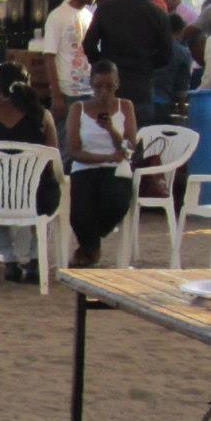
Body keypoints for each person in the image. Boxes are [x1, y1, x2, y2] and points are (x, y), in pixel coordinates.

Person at [0, 64, 60, 283]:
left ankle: (10, 260)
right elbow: (52, 161)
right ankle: (36, 258)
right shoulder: (42, 116)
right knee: (47, 188)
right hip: (35, 197)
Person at [65, 59, 138, 266]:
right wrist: (104, 157)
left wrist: (111, 129)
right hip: (85, 167)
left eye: (109, 86)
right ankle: (91, 248)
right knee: (80, 211)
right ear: (91, 84)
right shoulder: (78, 108)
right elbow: (74, 150)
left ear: (117, 84)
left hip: (116, 169)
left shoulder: (125, 106)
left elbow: (130, 147)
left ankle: (88, 247)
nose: (104, 92)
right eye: (98, 86)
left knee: (115, 202)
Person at [83, 0, 175, 124]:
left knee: (108, 137)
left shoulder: (105, 9)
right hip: (141, 87)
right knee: (138, 140)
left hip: (110, 87)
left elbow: (89, 44)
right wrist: (147, 66)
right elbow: (166, 55)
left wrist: (102, 64)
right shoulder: (158, 14)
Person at [44, 0, 96, 99]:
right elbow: (49, 56)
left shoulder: (90, 16)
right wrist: (56, 94)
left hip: (89, 90)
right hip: (66, 92)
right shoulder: (57, 16)